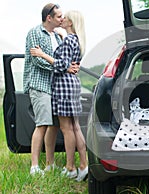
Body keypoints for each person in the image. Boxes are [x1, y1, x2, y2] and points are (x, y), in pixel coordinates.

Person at [30, 10, 88, 182]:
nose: (62, 20)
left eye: (65, 18)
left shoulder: (68, 40)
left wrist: (42, 54)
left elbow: (62, 64)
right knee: (75, 126)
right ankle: (83, 166)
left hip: (63, 85)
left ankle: (70, 167)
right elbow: (67, 62)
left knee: (66, 128)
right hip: (73, 84)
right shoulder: (76, 39)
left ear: (70, 23)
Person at [23, 3, 65, 175]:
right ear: (49, 18)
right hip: (40, 85)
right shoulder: (34, 33)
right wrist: (60, 66)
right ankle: (34, 166)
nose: (62, 19)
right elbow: (37, 61)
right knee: (42, 125)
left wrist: (60, 64)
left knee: (54, 125)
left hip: (56, 86)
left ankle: (50, 164)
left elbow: (63, 58)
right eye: (59, 16)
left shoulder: (58, 36)